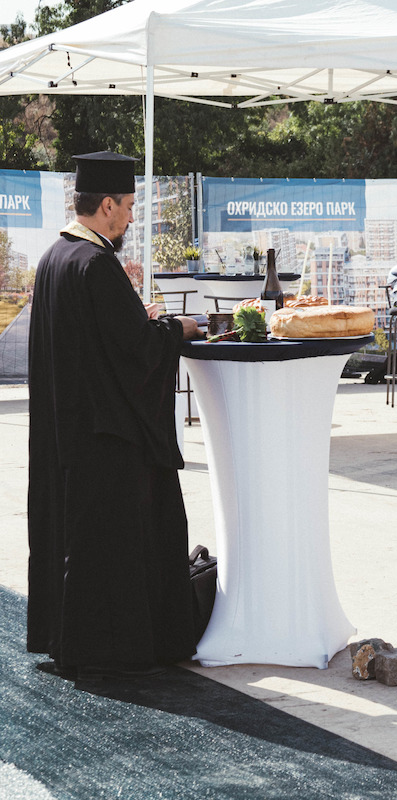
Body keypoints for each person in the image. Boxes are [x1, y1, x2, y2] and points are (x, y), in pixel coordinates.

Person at [27, 151, 203, 680]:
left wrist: (139, 321)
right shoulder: (96, 263)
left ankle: (68, 638)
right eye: (127, 206)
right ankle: (114, 647)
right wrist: (175, 330)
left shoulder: (55, 257)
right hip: (105, 438)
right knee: (116, 544)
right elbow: (135, 352)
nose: (130, 218)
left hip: (66, 432)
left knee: (74, 541)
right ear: (106, 205)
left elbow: (97, 337)